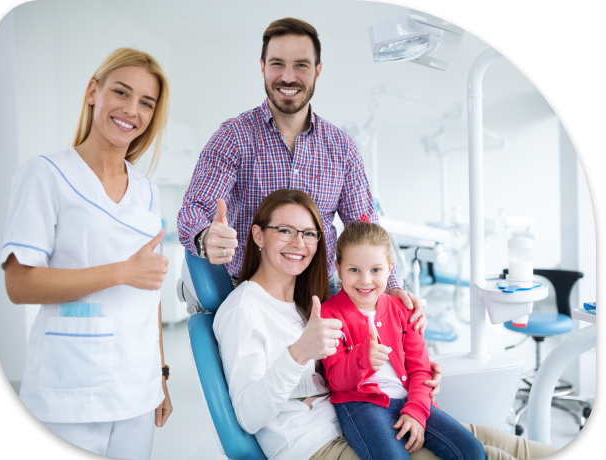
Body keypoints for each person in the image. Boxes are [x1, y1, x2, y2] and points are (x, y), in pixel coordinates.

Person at [214, 189, 560, 460]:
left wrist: (415, 371)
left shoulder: (307, 300)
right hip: (320, 441)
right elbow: (247, 417)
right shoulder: (244, 310)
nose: (299, 243)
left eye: (309, 233)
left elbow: (379, 315)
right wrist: (298, 353)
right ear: (258, 236)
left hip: (382, 412)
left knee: (505, 444)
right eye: (285, 231)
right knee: (490, 457)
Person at [177, 17, 427, 331]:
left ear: (317, 71)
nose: (288, 76)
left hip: (320, 295)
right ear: (263, 66)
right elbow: (193, 211)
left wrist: (391, 286)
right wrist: (205, 237)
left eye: (301, 65)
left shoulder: (341, 147)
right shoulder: (233, 137)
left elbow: (365, 230)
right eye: (277, 64)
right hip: (252, 295)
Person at [1, 48, 173, 460]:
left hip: (138, 383)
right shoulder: (45, 173)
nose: (132, 110)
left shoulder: (147, 189)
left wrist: (161, 374)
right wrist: (121, 272)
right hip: (70, 386)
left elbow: (151, 287)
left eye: (146, 103)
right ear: (93, 91)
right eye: (122, 92)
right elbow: (19, 284)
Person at [321, 220, 486, 459]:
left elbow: (421, 370)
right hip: (361, 404)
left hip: (409, 397)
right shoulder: (329, 313)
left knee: (472, 451)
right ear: (338, 267)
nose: (365, 280)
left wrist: (416, 411)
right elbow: (336, 380)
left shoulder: (404, 309)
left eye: (376, 270)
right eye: (354, 270)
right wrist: (361, 358)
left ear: (390, 269)